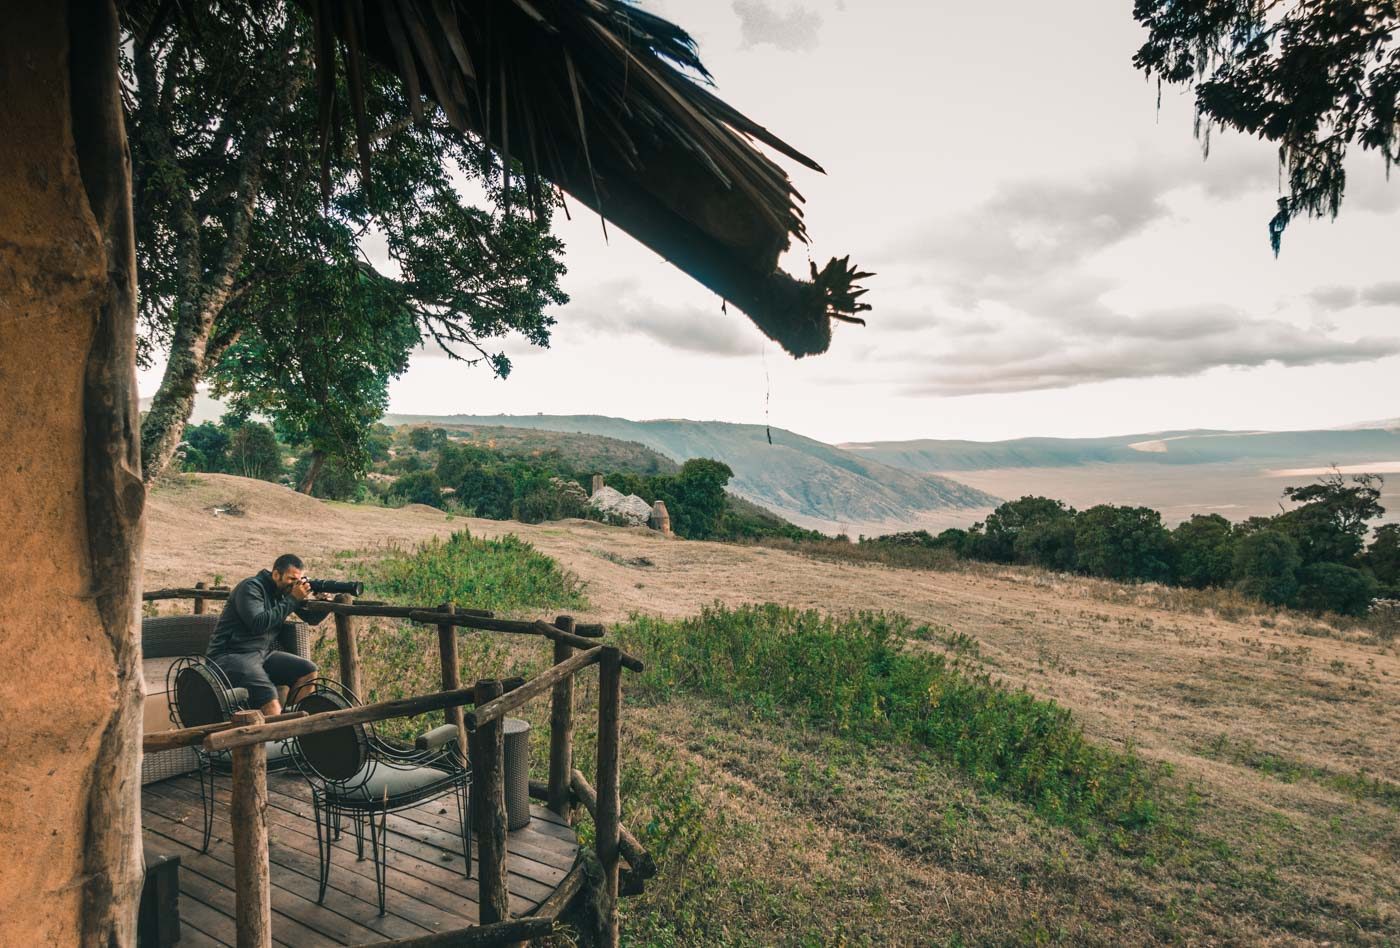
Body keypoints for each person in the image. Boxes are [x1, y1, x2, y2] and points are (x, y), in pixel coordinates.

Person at [206, 553, 328, 715]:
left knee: (308, 670)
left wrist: (324, 603)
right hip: (230, 656)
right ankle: (277, 735)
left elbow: (311, 619)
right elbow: (258, 624)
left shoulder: (284, 592)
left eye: (298, 580)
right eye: (292, 579)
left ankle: (292, 722)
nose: (295, 584)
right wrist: (293, 599)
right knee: (271, 702)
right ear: (276, 574)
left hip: (261, 654)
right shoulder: (250, 587)